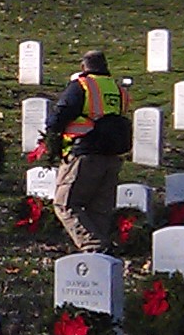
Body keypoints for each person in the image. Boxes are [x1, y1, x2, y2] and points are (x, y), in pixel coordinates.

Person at [45, 50, 130, 252]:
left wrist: (51, 140)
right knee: (99, 210)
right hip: (112, 156)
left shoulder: (82, 86)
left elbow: (58, 117)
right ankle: (100, 260)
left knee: (65, 203)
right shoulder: (119, 90)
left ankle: (93, 247)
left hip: (84, 153)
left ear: (84, 67)